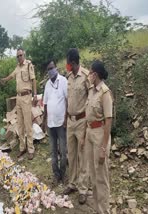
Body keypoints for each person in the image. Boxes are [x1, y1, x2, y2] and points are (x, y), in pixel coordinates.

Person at [0, 48, 38, 160]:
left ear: (24, 55)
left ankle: (31, 149)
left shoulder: (28, 65)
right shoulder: (17, 67)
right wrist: (5, 80)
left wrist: (35, 95)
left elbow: (34, 80)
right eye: (17, 56)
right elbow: (12, 75)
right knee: (20, 125)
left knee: (28, 124)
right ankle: (22, 148)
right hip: (19, 98)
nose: (19, 57)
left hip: (27, 97)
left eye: (20, 55)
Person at [85, 60, 113, 214]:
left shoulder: (105, 92)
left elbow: (108, 121)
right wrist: (84, 136)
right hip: (90, 133)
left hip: (100, 134)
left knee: (101, 177)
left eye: (90, 72)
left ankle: (104, 211)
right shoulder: (91, 90)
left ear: (95, 74)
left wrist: (103, 147)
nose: (88, 74)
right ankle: (97, 209)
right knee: (93, 175)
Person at [63, 48, 90, 205]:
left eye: (68, 63)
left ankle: (83, 189)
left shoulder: (85, 76)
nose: (67, 66)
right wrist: (67, 117)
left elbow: (91, 97)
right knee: (71, 154)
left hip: (81, 121)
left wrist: (87, 123)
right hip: (71, 121)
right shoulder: (69, 77)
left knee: (82, 155)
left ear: (73, 62)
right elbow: (69, 99)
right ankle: (72, 184)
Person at [42, 60, 68, 185]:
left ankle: (63, 174)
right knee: (53, 152)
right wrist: (43, 120)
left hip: (61, 123)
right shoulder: (47, 84)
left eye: (52, 68)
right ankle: (56, 175)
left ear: (56, 68)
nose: (51, 70)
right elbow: (45, 104)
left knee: (63, 151)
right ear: (47, 72)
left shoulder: (63, 81)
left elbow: (67, 101)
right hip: (50, 124)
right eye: (49, 69)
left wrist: (66, 119)